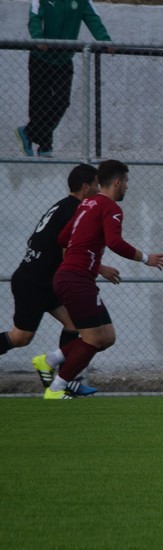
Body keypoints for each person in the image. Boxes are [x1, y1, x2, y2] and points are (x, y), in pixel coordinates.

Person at [32, 160, 163, 399]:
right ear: (117, 182)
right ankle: (56, 388)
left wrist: (87, 250)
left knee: (107, 337)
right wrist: (147, 258)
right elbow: (115, 242)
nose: (127, 187)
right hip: (76, 279)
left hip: (71, 277)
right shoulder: (111, 207)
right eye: (126, 182)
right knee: (93, 339)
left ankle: (49, 360)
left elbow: (63, 238)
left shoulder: (86, 204)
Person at [2, 165, 118, 395]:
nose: (99, 189)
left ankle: (65, 381)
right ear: (86, 187)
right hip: (33, 282)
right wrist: (100, 268)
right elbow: (68, 249)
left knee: (76, 326)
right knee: (21, 337)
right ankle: (60, 378)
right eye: (96, 184)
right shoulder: (75, 209)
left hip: (48, 280)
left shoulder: (64, 206)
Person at [16, 0, 111, 158]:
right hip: (41, 58)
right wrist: (38, 38)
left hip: (64, 59)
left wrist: (105, 40)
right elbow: (35, 17)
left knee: (61, 102)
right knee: (39, 103)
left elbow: (92, 18)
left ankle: (27, 133)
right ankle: (45, 146)